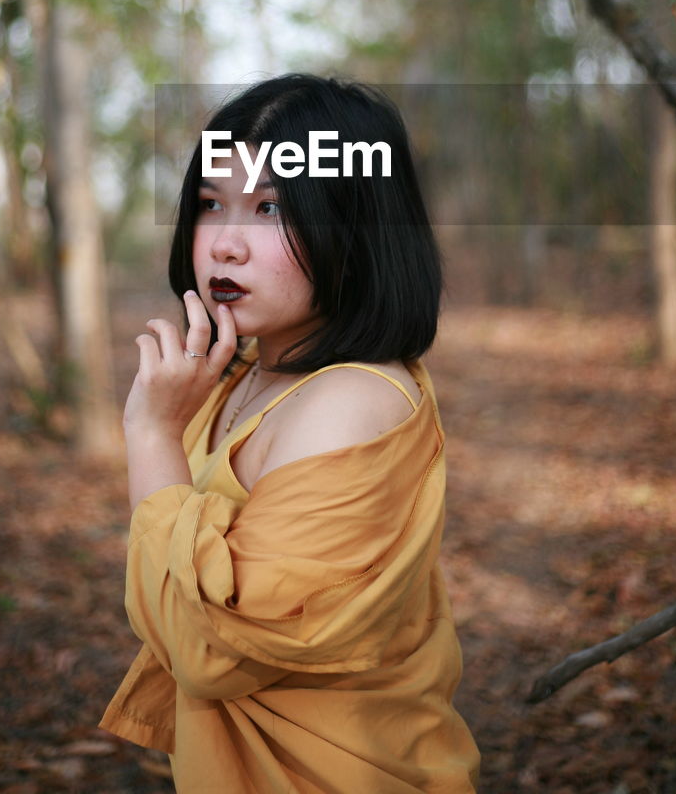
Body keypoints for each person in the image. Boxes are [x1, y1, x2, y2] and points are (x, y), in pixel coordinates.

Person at [100, 75, 480, 792]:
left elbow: (209, 650)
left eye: (270, 208)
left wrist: (152, 435)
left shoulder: (349, 400)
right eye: (212, 205)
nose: (224, 247)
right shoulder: (247, 370)